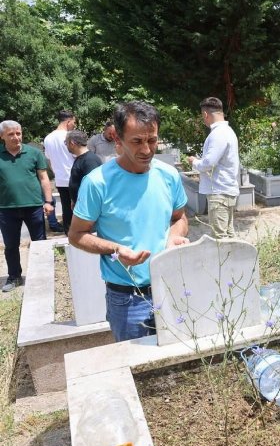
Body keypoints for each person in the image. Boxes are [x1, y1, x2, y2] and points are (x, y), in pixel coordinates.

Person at [69, 101, 189, 342]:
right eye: (137, 141)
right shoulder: (98, 183)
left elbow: (179, 217)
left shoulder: (168, 175)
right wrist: (115, 250)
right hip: (128, 299)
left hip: (171, 286)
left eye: (152, 140)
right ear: (118, 140)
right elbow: (76, 235)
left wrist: (173, 237)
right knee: (136, 370)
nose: (146, 149)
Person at [0, 121, 55, 292]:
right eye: (11, 134)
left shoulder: (34, 153)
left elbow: (44, 178)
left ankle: (44, 275)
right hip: (6, 208)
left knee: (40, 243)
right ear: (2, 136)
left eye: (18, 133)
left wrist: (48, 201)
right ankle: (15, 277)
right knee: (10, 245)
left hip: (34, 206)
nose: (16, 137)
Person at [187, 97, 240, 239]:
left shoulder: (218, 133)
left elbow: (209, 163)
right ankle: (235, 261)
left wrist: (194, 162)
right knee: (228, 236)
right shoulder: (227, 131)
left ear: (205, 114)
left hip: (219, 192)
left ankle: (226, 262)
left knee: (220, 238)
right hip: (225, 190)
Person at [43, 110, 76, 234]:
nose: (74, 125)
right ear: (68, 122)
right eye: (74, 122)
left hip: (60, 179)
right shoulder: (69, 137)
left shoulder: (48, 138)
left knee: (66, 209)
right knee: (78, 209)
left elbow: (50, 161)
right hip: (74, 178)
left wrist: (57, 172)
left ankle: (69, 234)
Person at [65, 130, 102, 207]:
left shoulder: (90, 160)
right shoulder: (80, 158)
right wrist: (73, 199)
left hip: (87, 207)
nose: (66, 146)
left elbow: (93, 187)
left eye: (66, 143)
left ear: (72, 143)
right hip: (80, 205)